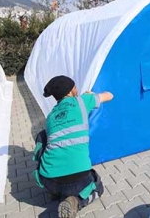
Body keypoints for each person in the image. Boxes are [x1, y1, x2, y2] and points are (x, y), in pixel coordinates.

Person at [32, 75, 114, 218]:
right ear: (70, 91)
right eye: (75, 86)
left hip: (48, 180)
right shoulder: (82, 101)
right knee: (98, 188)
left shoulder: (50, 116)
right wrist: (92, 95)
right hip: (78, 180)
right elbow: (109, 95)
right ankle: (76, 201)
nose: (77, 89)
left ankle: (55, 194)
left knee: (43, 135)